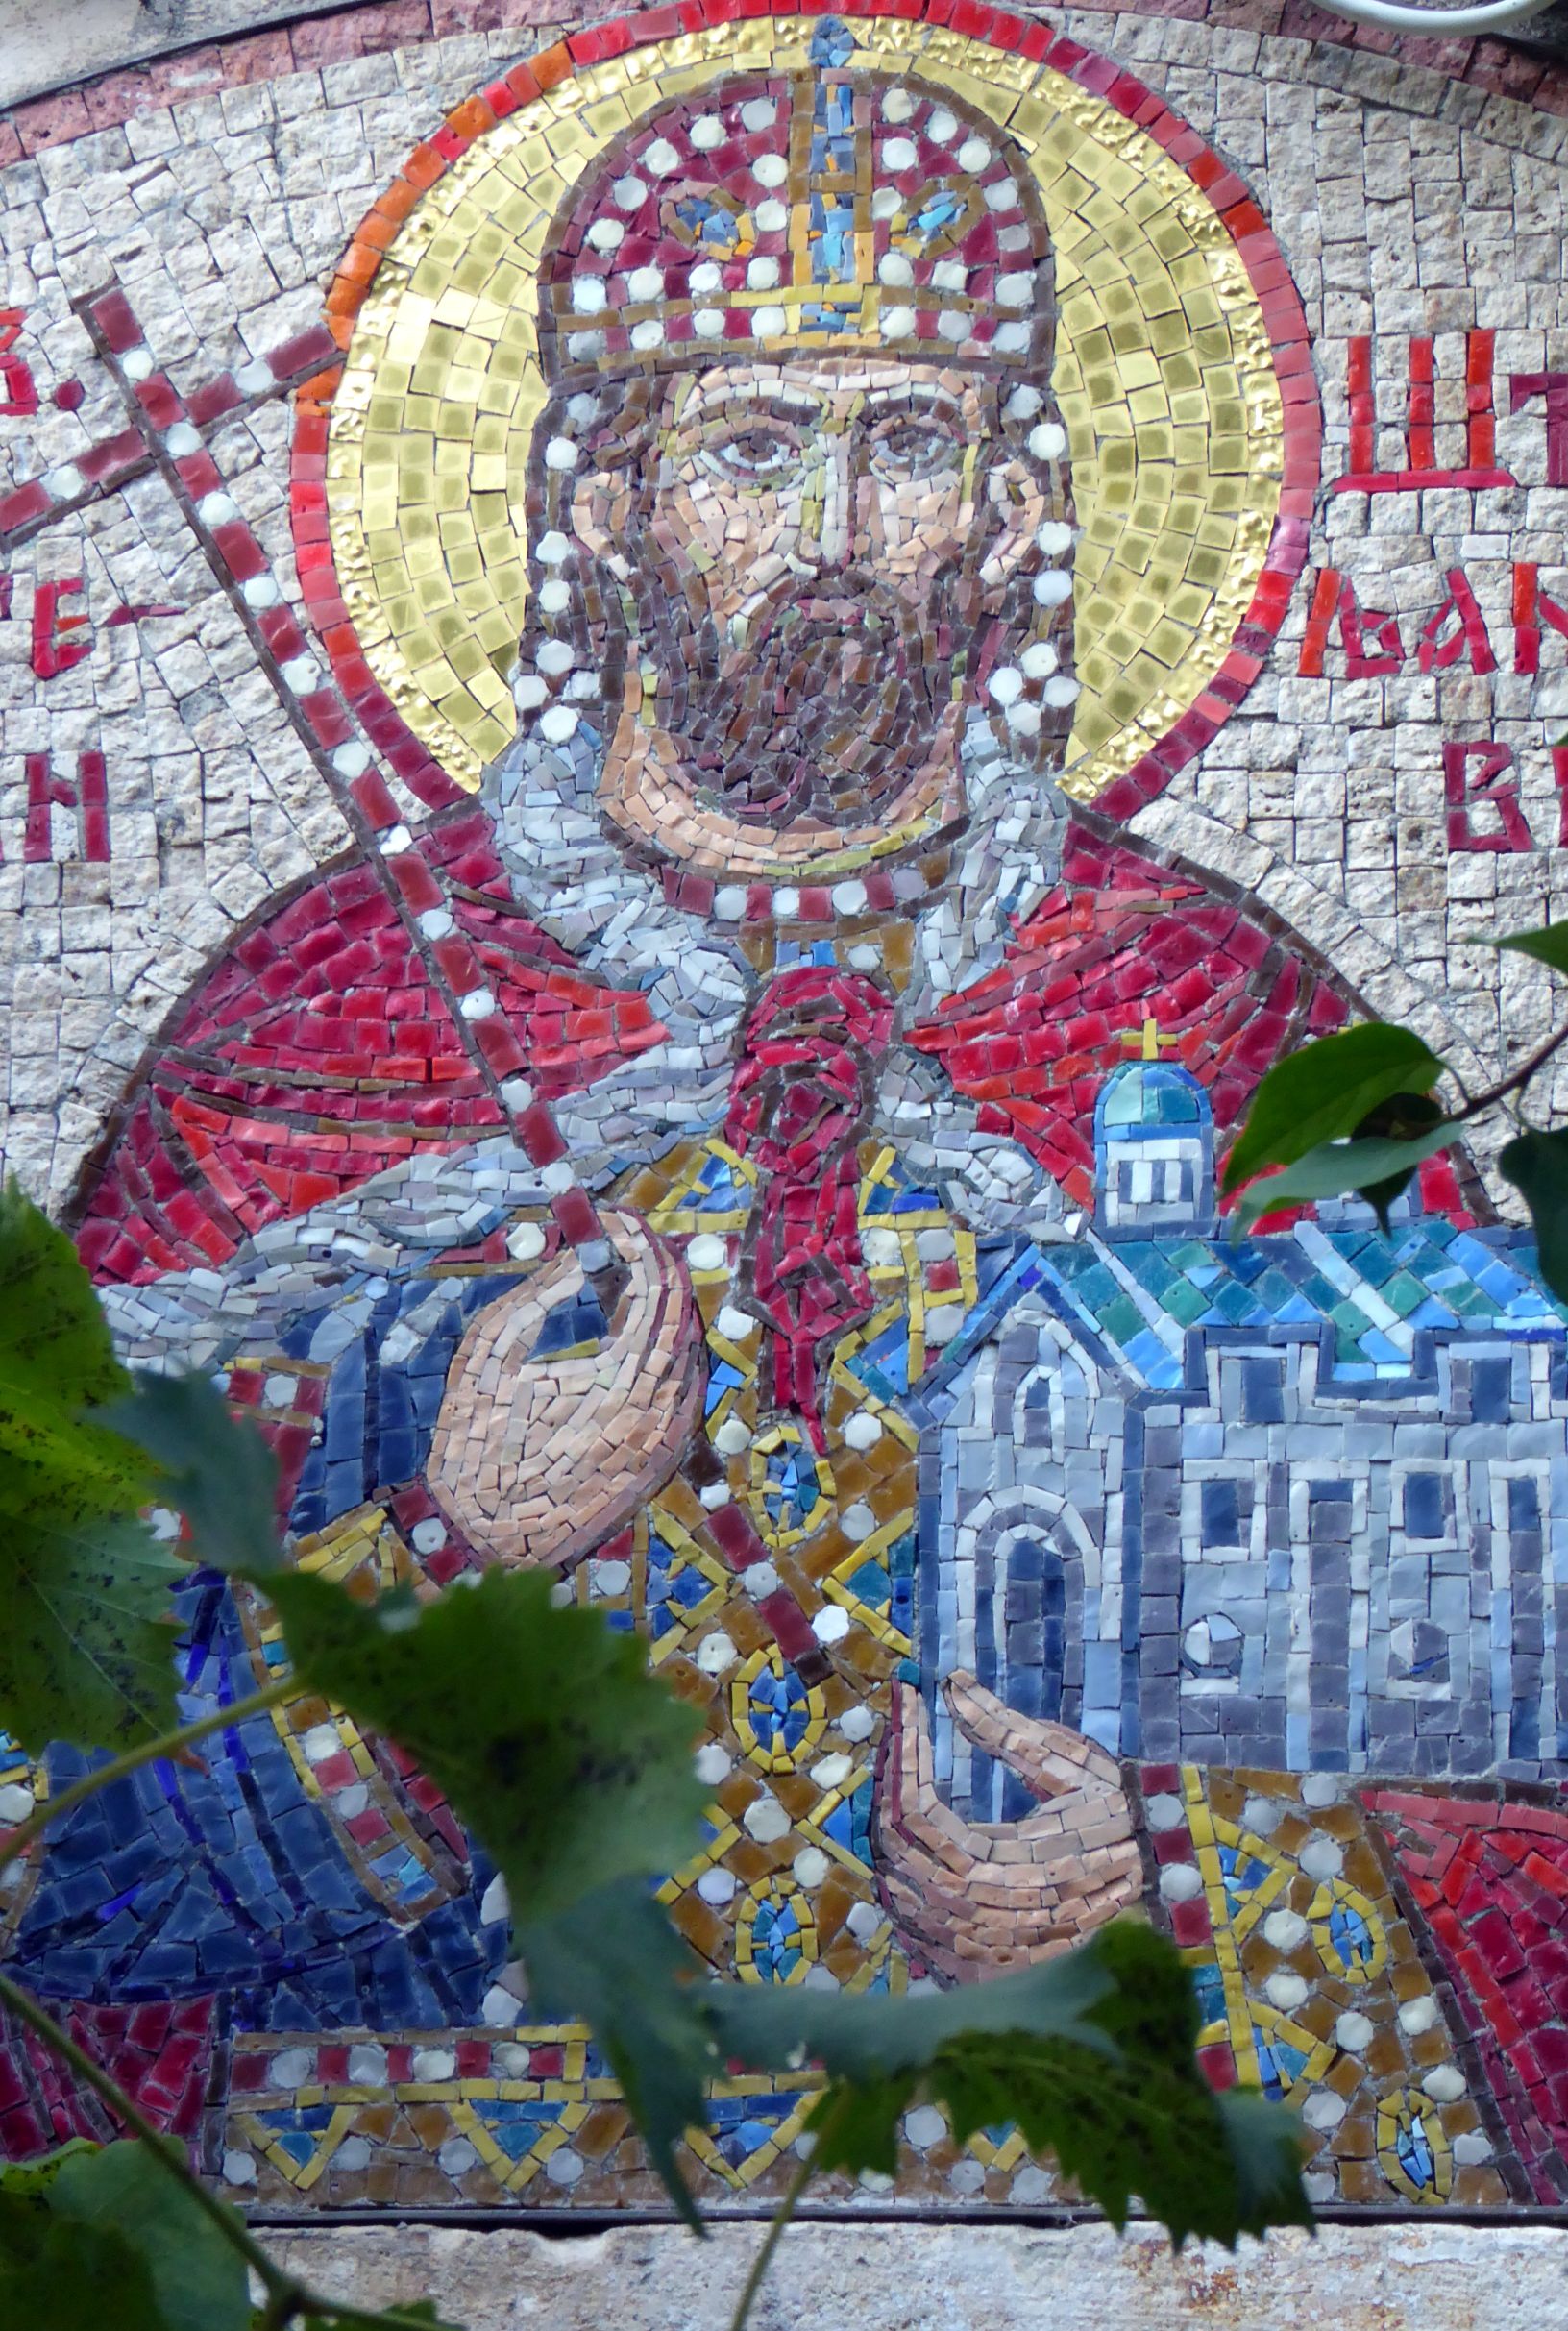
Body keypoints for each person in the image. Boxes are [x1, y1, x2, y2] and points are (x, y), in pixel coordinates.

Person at [5, 29, 1363, 2158]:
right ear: (607, 504)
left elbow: (1500, 1649)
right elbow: (43, 1777)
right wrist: (445, 1548)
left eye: (905, 444)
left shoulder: (1209, 1015)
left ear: (1012, 508)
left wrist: (1184, 1875)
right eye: (746, 447)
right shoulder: (323, 1022)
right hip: (422, 2171)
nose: (832, 534)